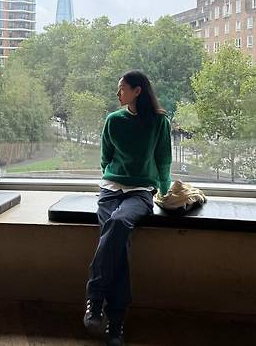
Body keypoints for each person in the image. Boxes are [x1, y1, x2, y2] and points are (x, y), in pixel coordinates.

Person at [83, 70, 172, 346]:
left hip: (141, 191)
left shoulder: (159, 122)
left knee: (118, 223)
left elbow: (163, 158)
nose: (117, 93)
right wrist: (112, 178)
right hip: (110, 189)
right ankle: (116, 324)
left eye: (122, 88)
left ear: (137, 91)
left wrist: (164, 191)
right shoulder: (113, 120)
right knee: (118, 247)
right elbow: (105, 158)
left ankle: (95, 297)